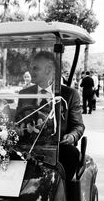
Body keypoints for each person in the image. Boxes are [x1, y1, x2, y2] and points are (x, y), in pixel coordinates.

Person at [17, 51, 85, 187]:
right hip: (28, 146)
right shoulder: (24, 93)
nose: (31, 71)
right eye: (31, 67)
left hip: (57, 147)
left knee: (72, 154)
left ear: (49, 69)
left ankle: (63, 195)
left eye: (35, 68)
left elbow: (78, 126)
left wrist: (72, 136)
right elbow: (18, 119)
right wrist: (17, 129)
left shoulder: (69, 94)